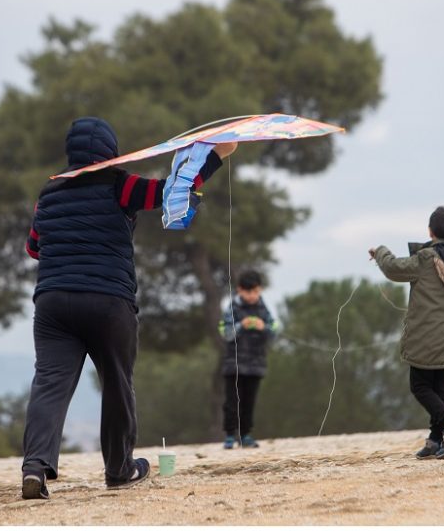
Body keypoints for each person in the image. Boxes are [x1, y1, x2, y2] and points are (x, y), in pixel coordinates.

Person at [21, 117, 237, 499]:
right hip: (108, 301)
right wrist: (217, 155)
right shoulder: (120, 185)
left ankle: (35, 466)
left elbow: (33, 248)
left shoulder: (48, 192)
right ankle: (119, 469)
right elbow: (171, 191)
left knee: (49, 384)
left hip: (53, 303)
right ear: (111, 152)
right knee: (117, 384)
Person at [369, 205, 444, 460]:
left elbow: (394, 268)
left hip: (427, 336)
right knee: (440, 385)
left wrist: (379, 251)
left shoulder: (427, 259)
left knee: (420, 386)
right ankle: (436, 441)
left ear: (430, 231)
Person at [219, 269, 278, 449]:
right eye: (248, 291)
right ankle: (230, 435)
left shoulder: (264, 308)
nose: (252, 296)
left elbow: (274, 332)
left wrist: (264, 327)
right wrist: (240, 326)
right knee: (232, 401)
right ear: (239, 290)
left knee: (249, 401)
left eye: (255, 291)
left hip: (256, 364)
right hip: (234, 365)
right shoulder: (232, 307)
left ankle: (246, 435)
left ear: (259, 290)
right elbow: (225, 333)